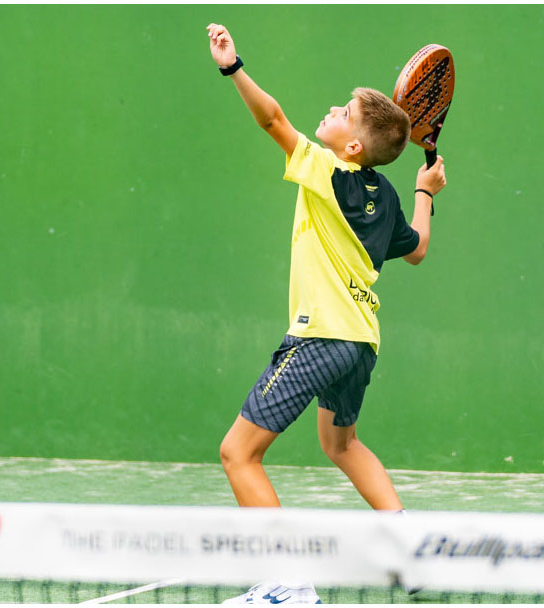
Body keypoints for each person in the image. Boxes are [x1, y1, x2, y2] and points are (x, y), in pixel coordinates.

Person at [206, 23, 447, 604]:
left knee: (238, 453)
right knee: (341, 445)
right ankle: (409, 547)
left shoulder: (328, 171)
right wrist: (426, 191)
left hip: (319, 338)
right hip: (361, 343)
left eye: (344, 113)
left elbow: (272, 119)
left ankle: (286, 581)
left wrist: (233, 67)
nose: (333, 110)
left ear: (353, 148)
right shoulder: (386, 195)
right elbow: (416, 248)